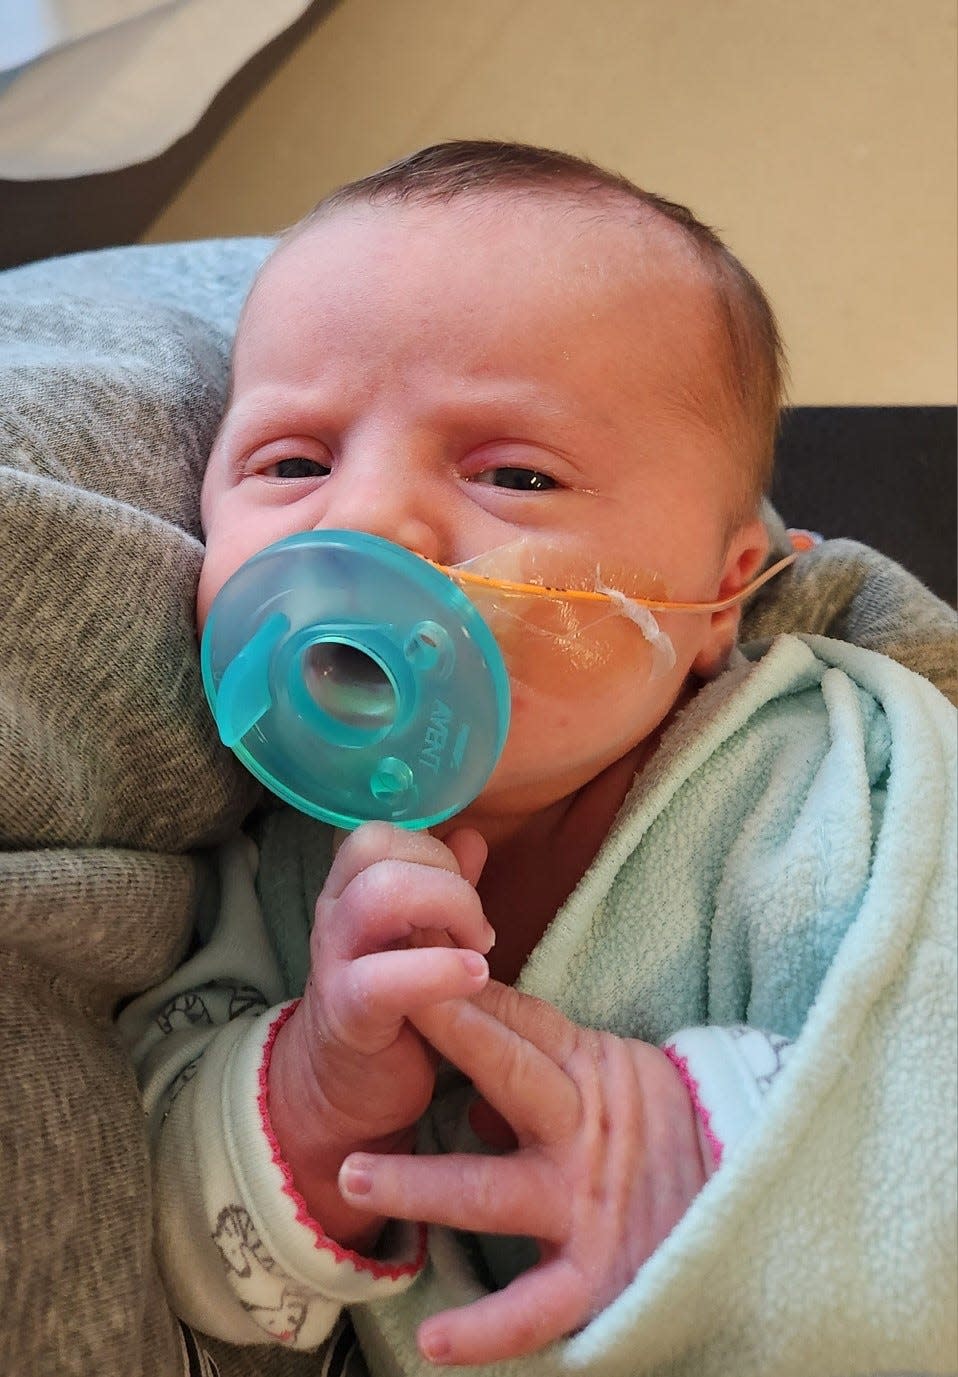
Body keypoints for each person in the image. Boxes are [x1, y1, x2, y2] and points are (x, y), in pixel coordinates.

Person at [119, 141, 957, 1376]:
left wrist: (707, 1143)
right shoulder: (270, 866)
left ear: (716, 601)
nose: (360, 522)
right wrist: (306, 1098)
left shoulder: (829, 782)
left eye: (513, 473)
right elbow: (176, 1232)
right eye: (293, 463)